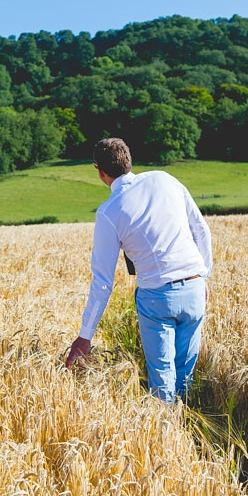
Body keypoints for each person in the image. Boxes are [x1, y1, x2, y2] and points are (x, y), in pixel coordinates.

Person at [65, 138, 212, 402]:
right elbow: (201, 229)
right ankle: (189, 427)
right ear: (128, 159)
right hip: (193, 287)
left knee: (162, 378)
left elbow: (102, 281)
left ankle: (168, 437)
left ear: (100, 171)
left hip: (157, 298)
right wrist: (203, 275)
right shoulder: (165, 179)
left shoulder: (109, 212)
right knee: (185, 375)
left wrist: (84, 337)